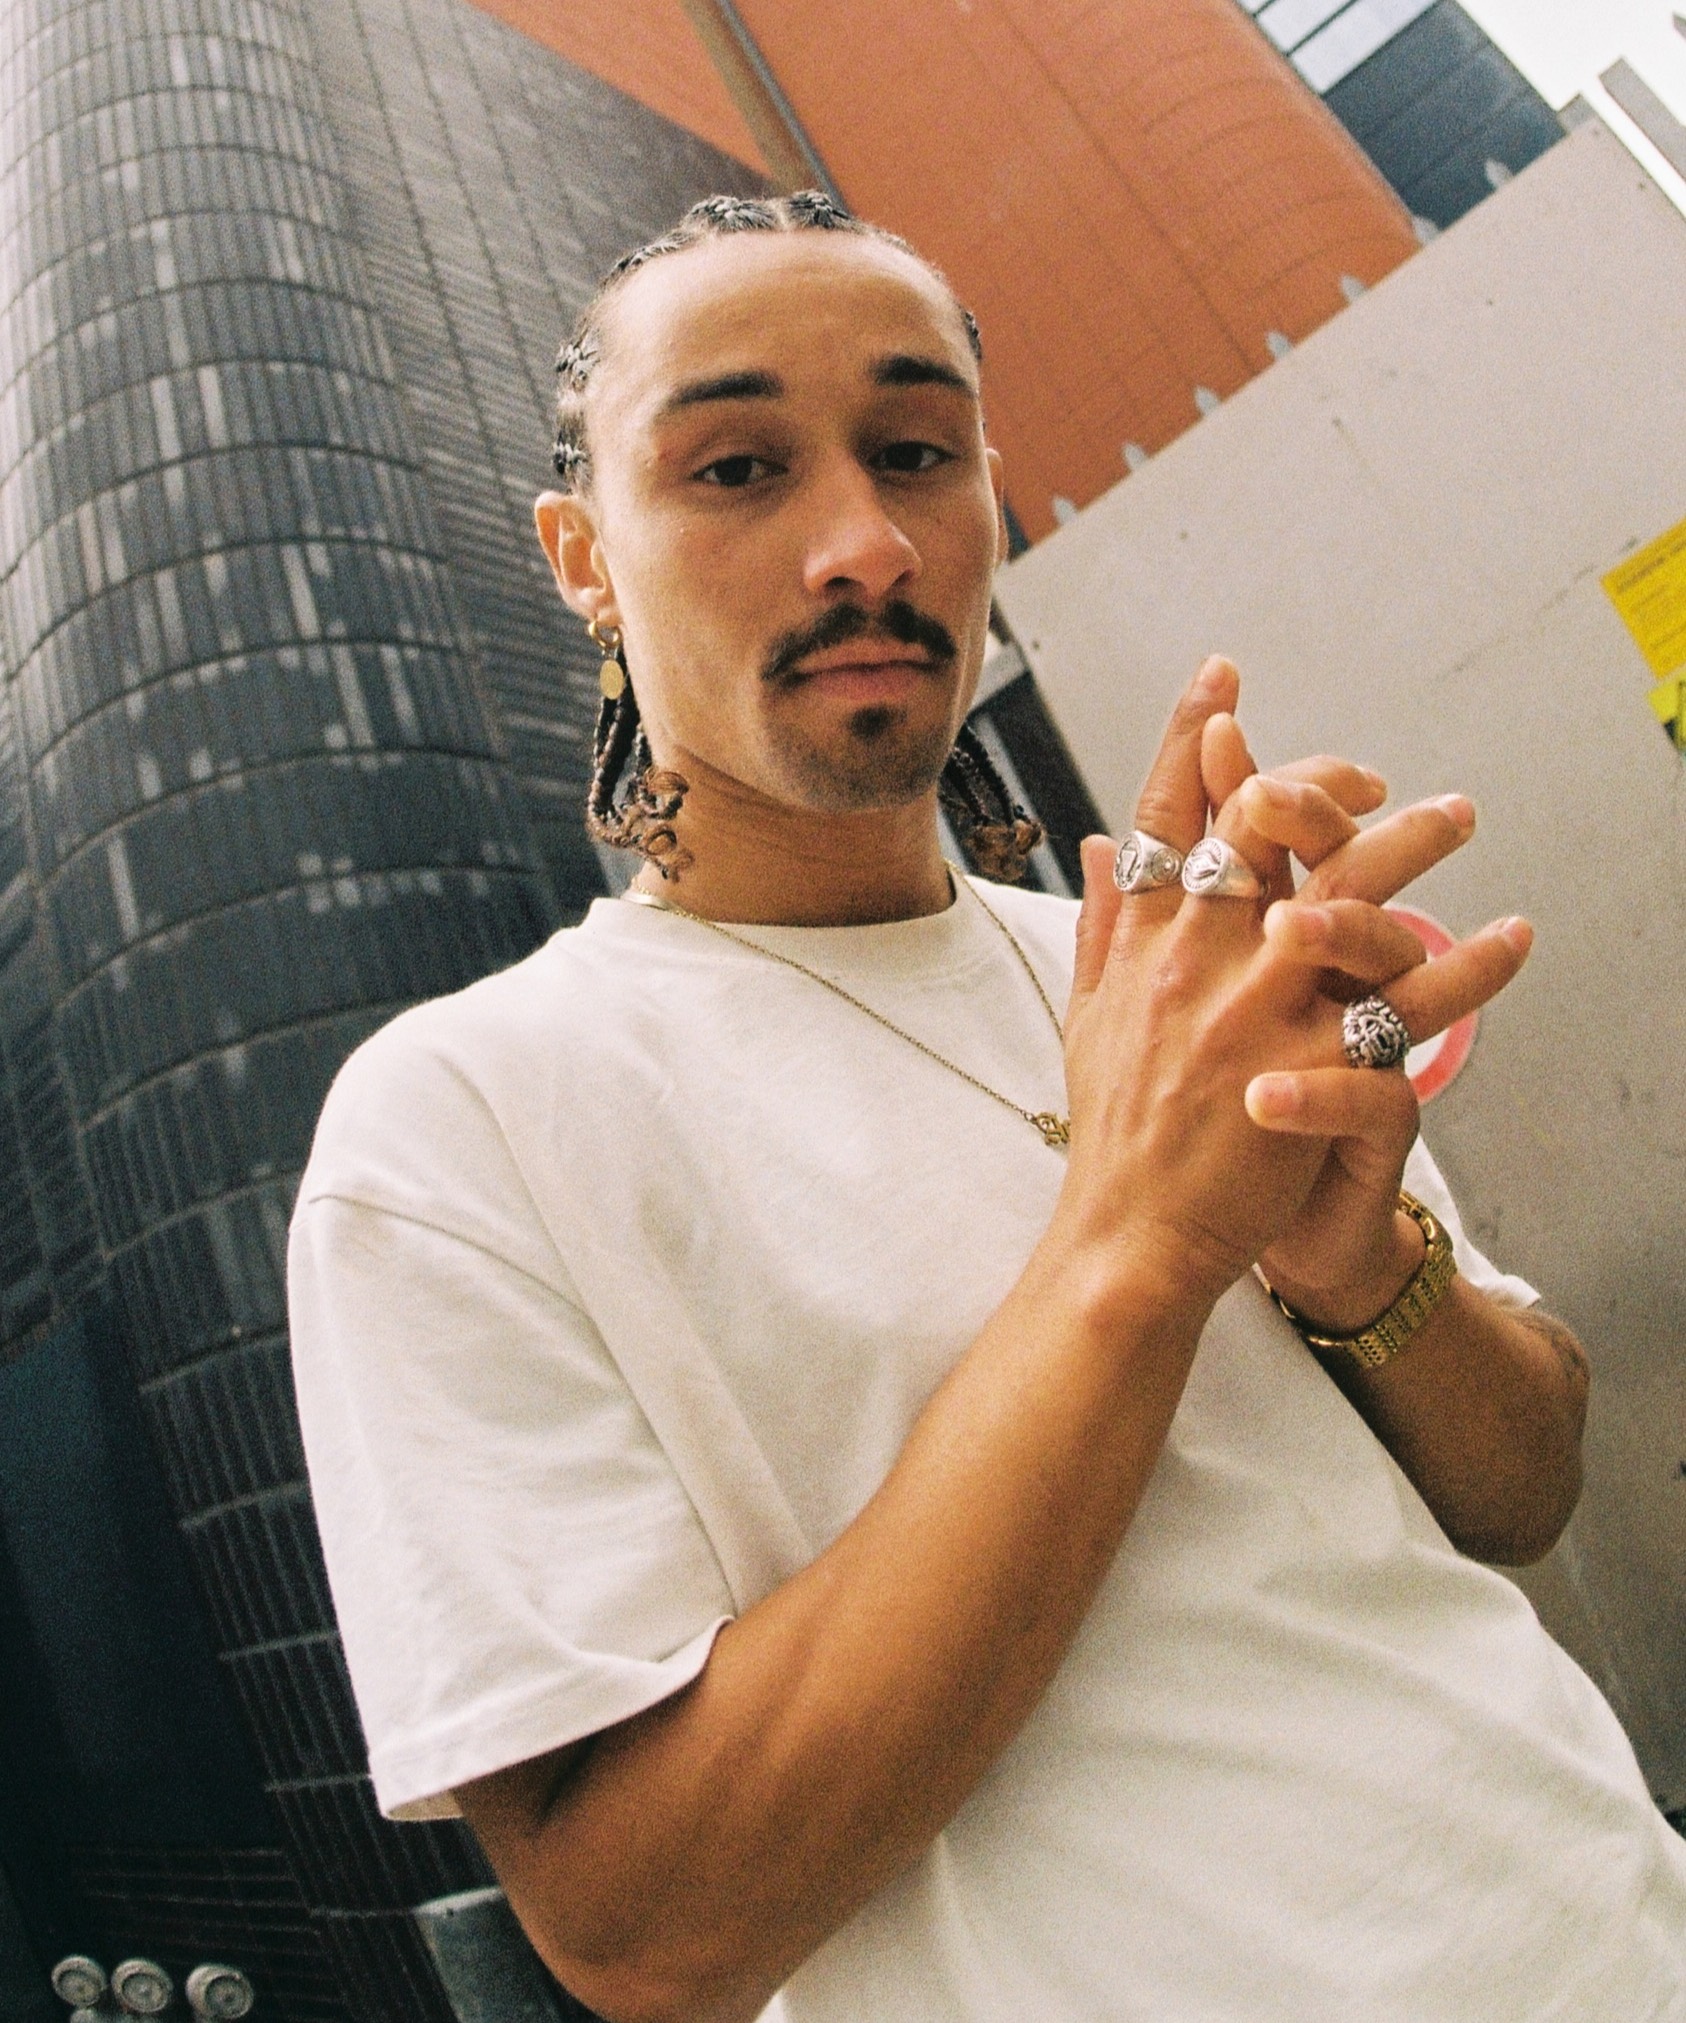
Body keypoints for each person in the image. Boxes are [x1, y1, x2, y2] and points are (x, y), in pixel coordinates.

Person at [287, 194, 1686, 2023]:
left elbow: (1522, 1492)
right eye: (735, 469)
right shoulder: (456, 1128)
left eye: (915, 453)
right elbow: (645, 1934)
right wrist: (1135, 1245)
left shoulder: (1159, 980)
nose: (864, 544)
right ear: (582, 556)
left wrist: (1360, 1268)